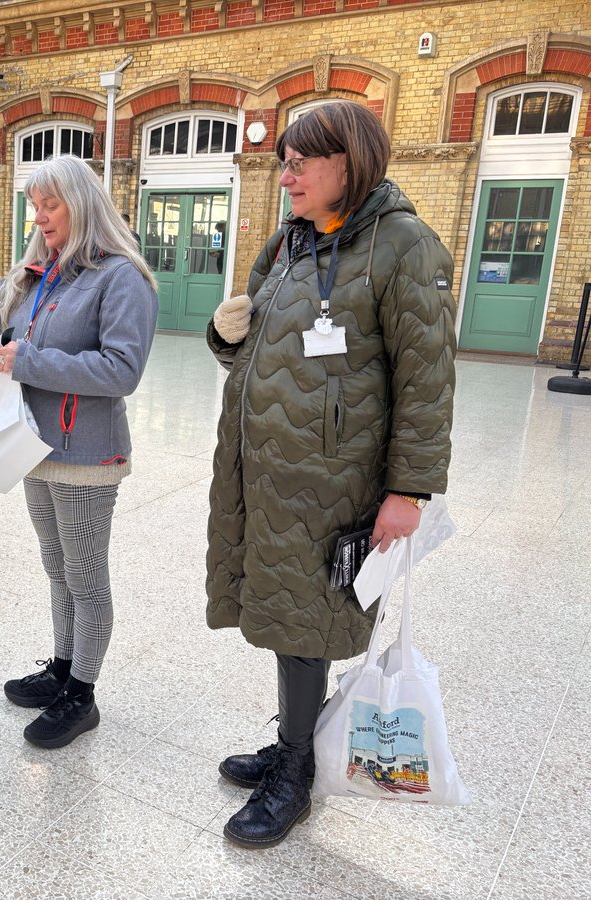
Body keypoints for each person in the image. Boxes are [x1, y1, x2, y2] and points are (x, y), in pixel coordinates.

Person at [205, 101, 456, 848]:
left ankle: (296, 775)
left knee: (305, 619)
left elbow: (428, 383)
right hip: (266, 469)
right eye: (283, 160)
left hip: (334, 477)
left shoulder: (404, 246)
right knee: (284, 612)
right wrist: (225, 341)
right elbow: (254, 349)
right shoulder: (288, 242)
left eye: (300, 161)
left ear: (350, 161)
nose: (285, 174)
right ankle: (295, 742)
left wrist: (409, 491)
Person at [0, 155, 158, 748]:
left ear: (82, 206)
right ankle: (62, 667)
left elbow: (121, 370)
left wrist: (26, 359)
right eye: (35, 205)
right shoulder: (38, 270)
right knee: (56, 564)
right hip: (34, 444)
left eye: (51, 205)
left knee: (85, 574)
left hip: (88, 453)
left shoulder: (122, 277)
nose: (40, 216)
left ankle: (82, 694)